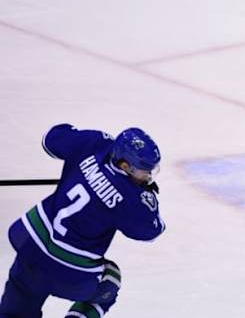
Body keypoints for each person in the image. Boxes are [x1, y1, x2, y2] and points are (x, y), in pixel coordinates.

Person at [0, 124, 165, 317]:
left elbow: (50, 139)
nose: (148, 177)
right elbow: (151, 231)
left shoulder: (95, 143)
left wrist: (84, 143)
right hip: (70, 273)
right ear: (124, 165)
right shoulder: (131, 197)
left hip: (30, 245)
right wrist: (147, 198)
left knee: (17, 306)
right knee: (111, 280)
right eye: (143, 171)